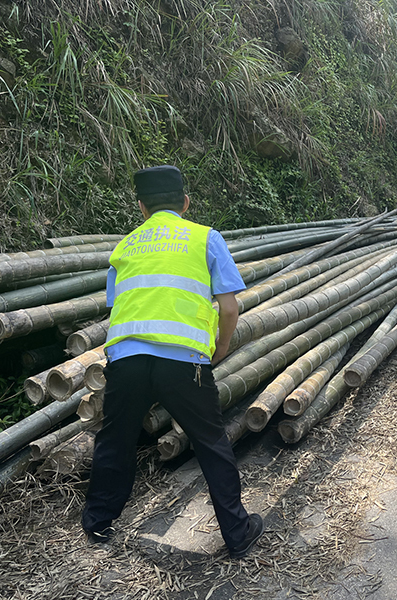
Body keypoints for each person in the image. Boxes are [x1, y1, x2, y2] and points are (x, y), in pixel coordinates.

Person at [82, 165, 264, 558]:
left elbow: (119, 308)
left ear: (142, 207)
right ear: (185, 202)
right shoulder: (204, 238)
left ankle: (97, 524)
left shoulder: (125, 246)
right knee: (211, 442)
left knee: (115, 440)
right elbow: (229, 308)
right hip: (185, 362)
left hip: (127, 358)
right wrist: (220, 348)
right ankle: (237, 532)